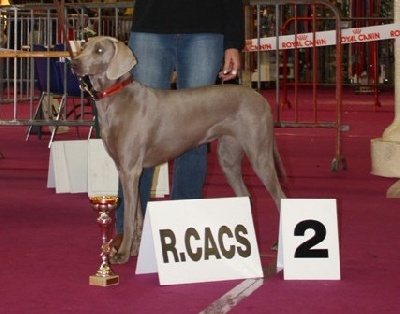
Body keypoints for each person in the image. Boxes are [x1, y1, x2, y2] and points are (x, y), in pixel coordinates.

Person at [114, 0, 245, 242]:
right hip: (150, 28)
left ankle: (183, 225)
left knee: (195, 135)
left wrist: (233, 43)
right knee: (136, 137)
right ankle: (128, 227)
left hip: (206, 31)